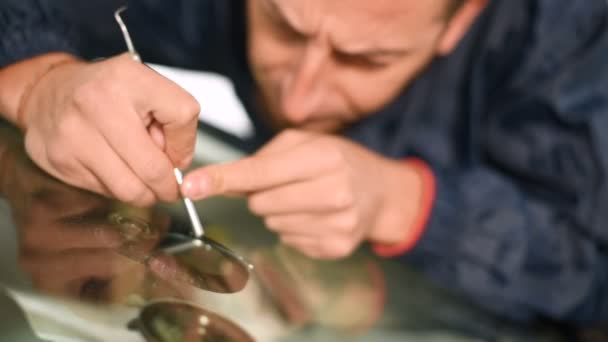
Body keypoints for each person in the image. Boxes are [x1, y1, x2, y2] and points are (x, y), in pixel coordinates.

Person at [0, 0, 607, 324]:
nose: (297, 98)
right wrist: (36, 78)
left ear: (466, 17)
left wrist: (407, 206)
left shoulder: (573, 41)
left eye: (366, 60)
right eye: (282, 26)